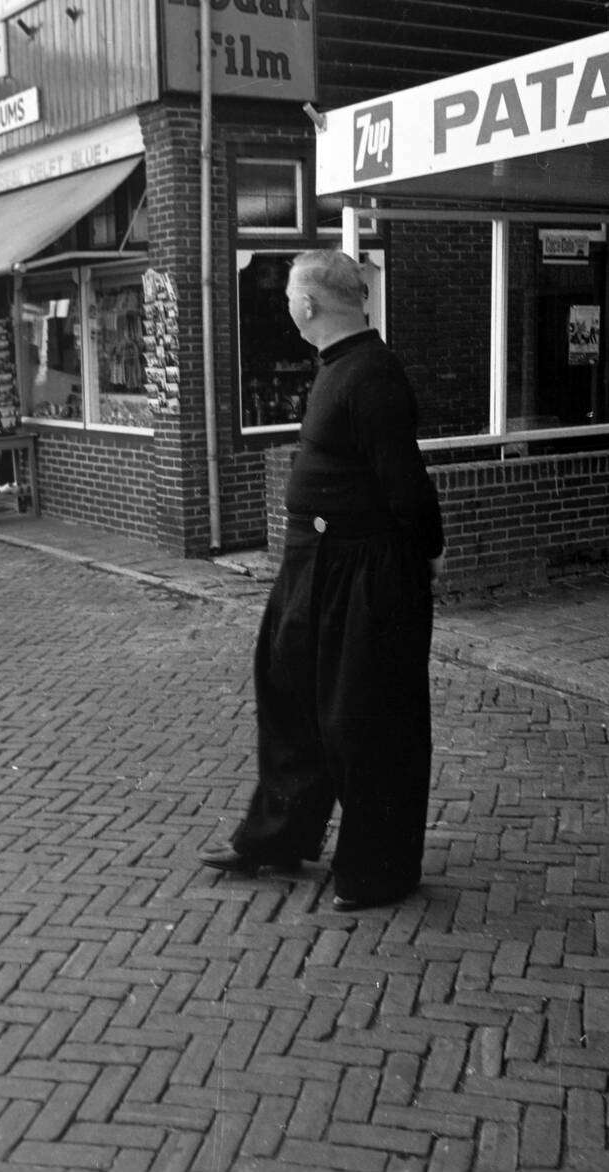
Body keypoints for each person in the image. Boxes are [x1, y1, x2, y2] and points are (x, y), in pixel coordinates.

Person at [200, 249, 445, 910]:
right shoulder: (341, 367)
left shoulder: (372, 375)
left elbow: (406, 484)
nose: (287, 308)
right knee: (290, 698)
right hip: (313, 565)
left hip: (363, 574)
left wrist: (427, 553)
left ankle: (379, 869)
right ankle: (277, 838)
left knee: (367, 719)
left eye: (287, 298)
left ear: (308, 305)